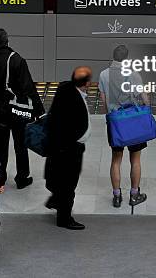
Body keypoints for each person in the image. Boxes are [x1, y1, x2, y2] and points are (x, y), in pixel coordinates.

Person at [0, 29, 45, 191]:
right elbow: (28, 88)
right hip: (16, 112)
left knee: (0, 146)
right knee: (20, 145)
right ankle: (22, 178)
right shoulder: (16, 60)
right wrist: (39, 111)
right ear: (8, 41)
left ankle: (0, 178)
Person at [99, 45, 149, 208]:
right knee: (135, 159)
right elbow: (144, 97)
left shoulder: (104, 75)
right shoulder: (133, 74)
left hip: (116, 121)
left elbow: (103, 100)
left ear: (113, 57)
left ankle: (117, 196)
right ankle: (134, 195)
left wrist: (110, 117)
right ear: (127, 59)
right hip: (133, 121)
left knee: (116, 160)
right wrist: (146, 109)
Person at [45, 66, 92, 230]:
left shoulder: (65, 89)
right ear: (85, 83)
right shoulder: (74, 97)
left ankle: (56, 201)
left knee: (62, 181)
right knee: (69, 184)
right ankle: (64, 218)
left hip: (61, 147)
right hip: (69, 149)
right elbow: (71, 125)